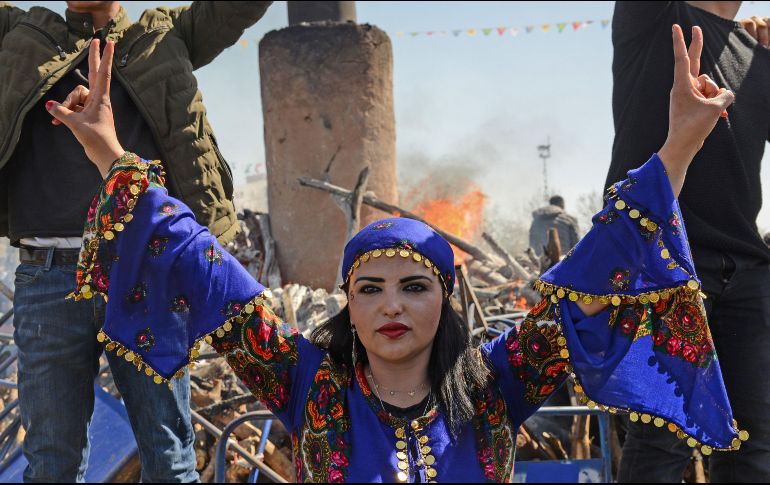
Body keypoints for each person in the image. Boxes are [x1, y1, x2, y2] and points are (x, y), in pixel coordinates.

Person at [53, 26, 742, 482]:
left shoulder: (493, 388)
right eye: (369, 288)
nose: (391, 304)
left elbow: (599, 270)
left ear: (445, 299)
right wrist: (109, 152)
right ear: (347, 305)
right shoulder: (310, 387)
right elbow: (207, 270)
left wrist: (679, 145)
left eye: (414, 286)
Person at [0, 1, 271, 481]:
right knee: (50, 466)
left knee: (169, 459)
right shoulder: (19, 32)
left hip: (149, 273)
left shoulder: (164, 36)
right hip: (48, 276)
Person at [605, 2, 770, 482]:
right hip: (659, 260)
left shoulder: (756, 50)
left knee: (753, 446)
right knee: (661, 442)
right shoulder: (654, 15)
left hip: (746, 268)